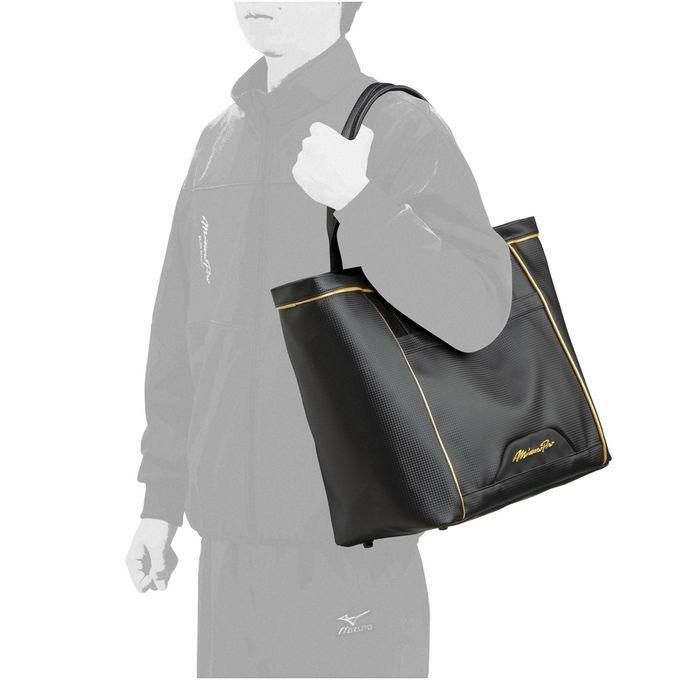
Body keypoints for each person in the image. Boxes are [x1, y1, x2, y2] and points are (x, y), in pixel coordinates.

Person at [126, 2, 512, 677]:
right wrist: (160, 502)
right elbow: (181, 337)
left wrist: (361, 202)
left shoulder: (399, 127)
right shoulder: (218, 140)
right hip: (229, 557)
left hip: (354, 552)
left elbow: (480, 311)